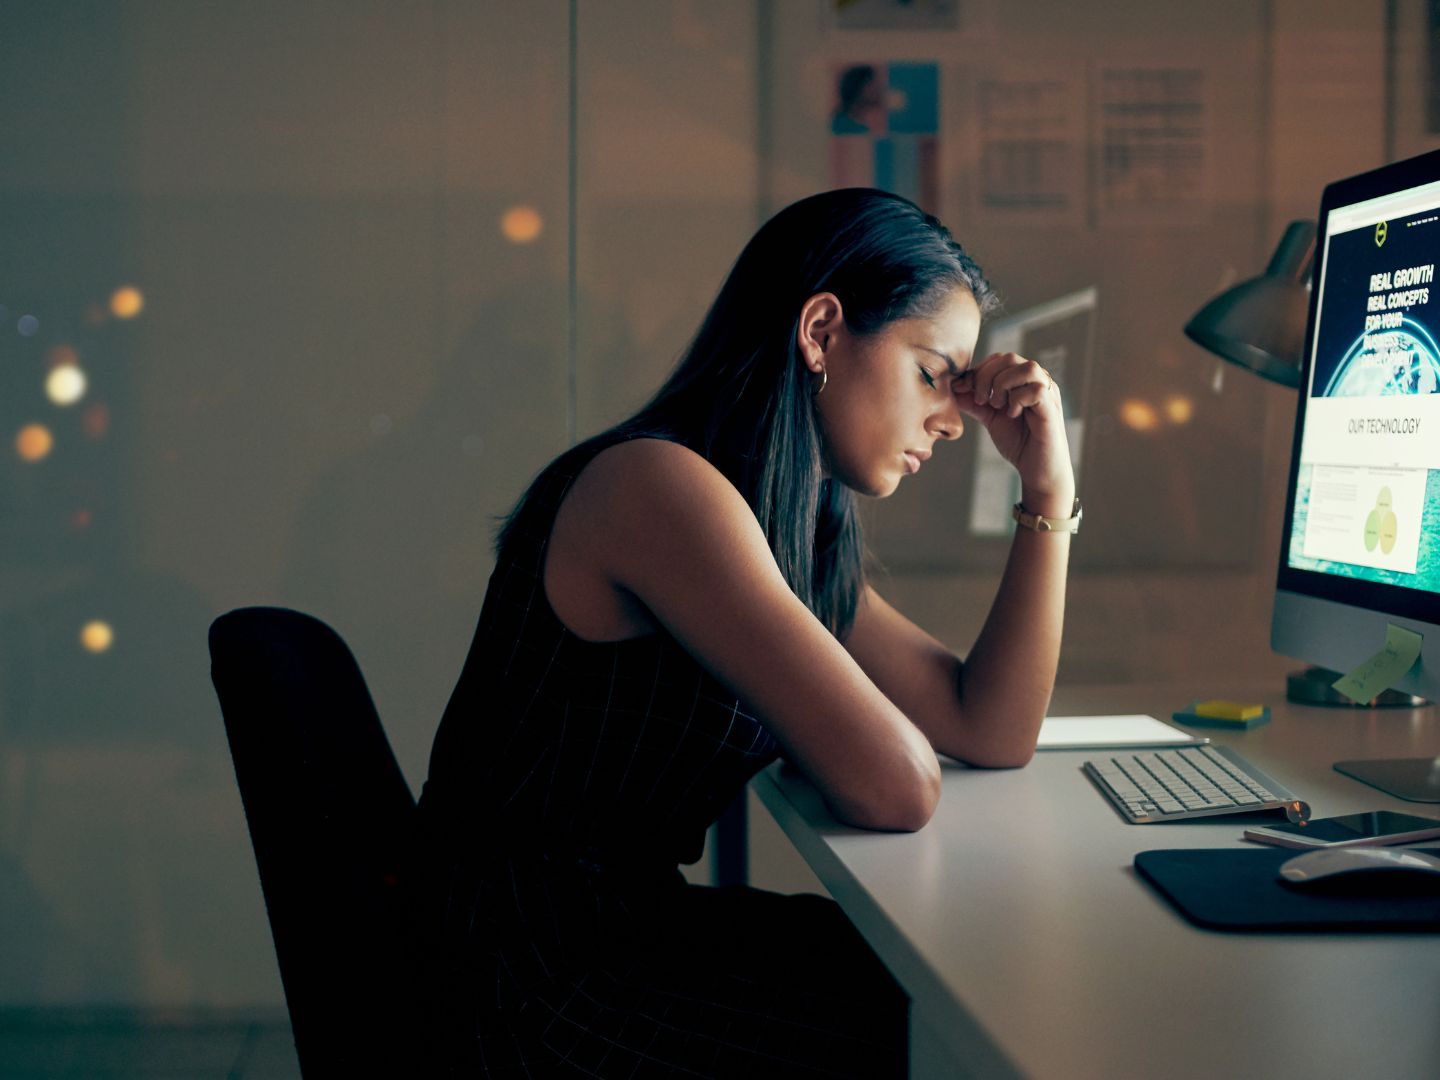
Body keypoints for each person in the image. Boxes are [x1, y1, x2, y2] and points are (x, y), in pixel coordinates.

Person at [403, 188, 1075, 1076]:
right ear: (822, 331)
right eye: (930, 373)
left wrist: (1049, 495)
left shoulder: (788, 525)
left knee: (961, 986)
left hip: (622, 933)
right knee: (933, 1030)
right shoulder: (658, 489)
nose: (952, 420)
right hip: (522, 983)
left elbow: (989, 728)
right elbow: (897, 788)